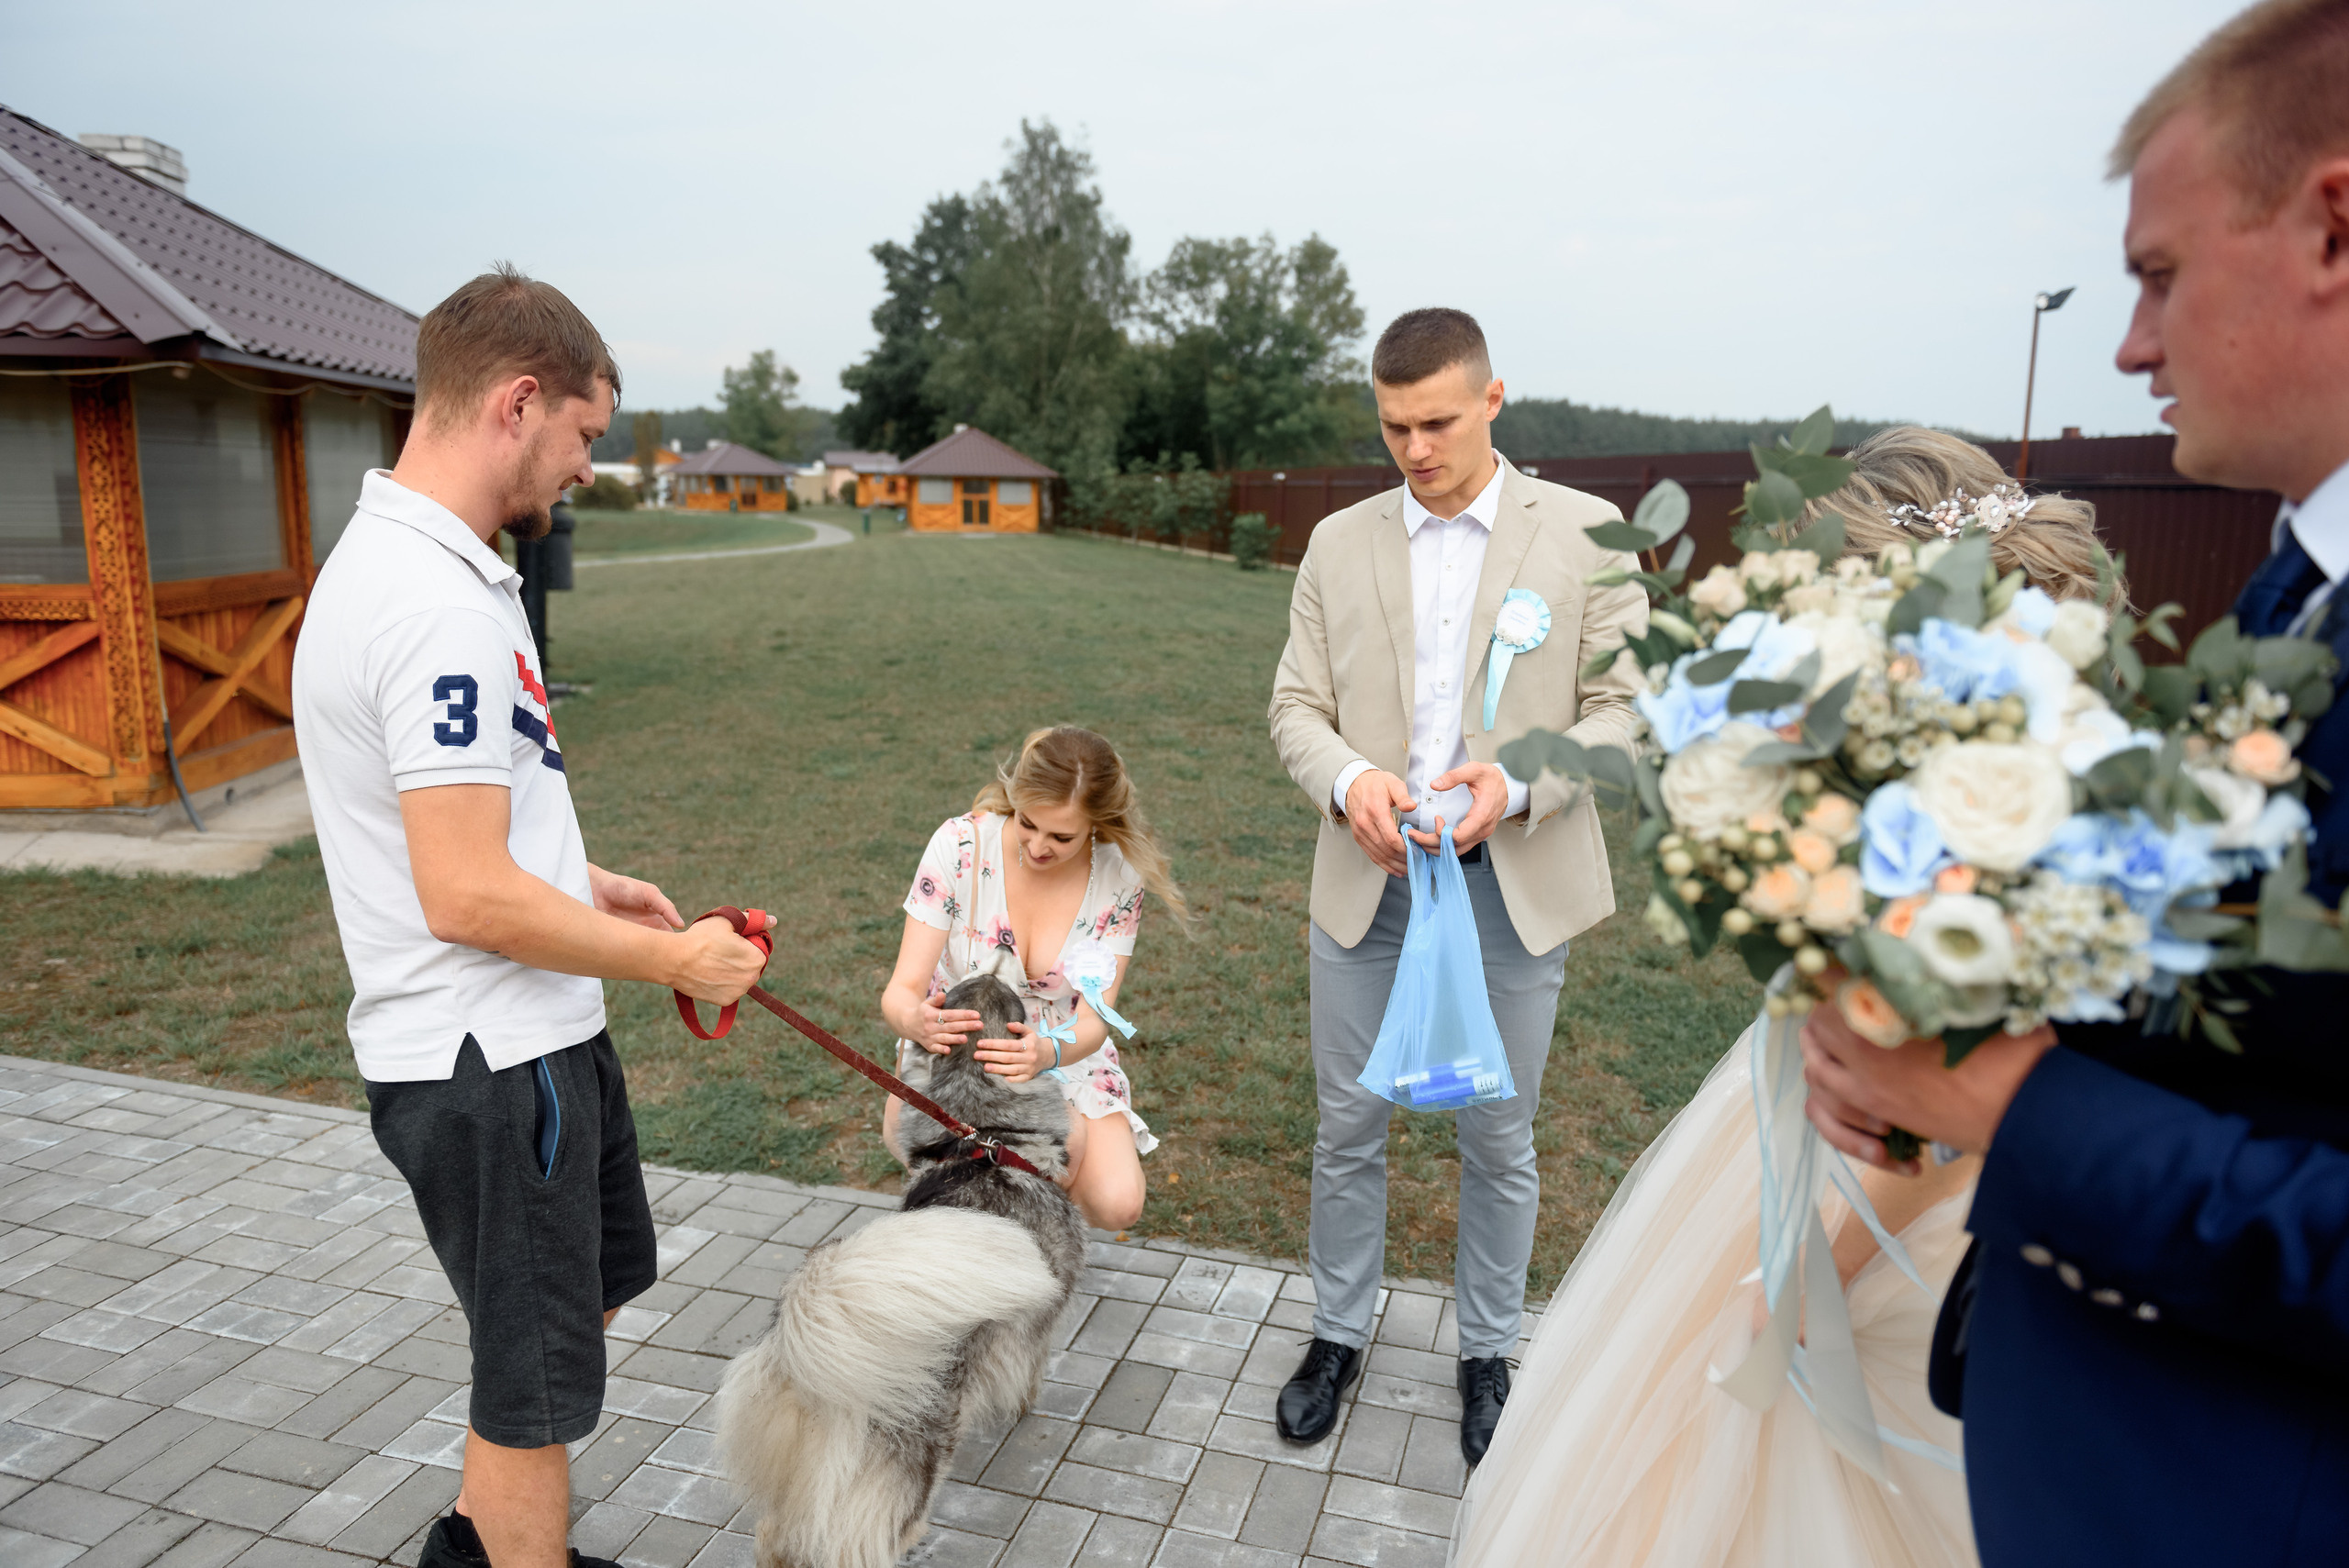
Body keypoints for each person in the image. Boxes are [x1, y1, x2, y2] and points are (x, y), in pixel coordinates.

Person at [1800, 5, 2349, 1562]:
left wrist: (2021, 1103)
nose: (2131, 340)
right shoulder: (2293, 590)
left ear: (2332, 225)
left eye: (2160, 271)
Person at [1453, 428, 2115, 1568]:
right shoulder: (1959, 770)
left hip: (1883, 1210)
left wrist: (1807, 1265)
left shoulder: (1982, 824)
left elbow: (1948, 1089)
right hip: (1798, 1144)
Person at [291, 266, 773, 1568]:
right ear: (518, 402)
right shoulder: (433, 602)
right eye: (584, 438)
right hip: (490, 1061)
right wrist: (676, 957)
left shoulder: (438, 573)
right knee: (537, 1378)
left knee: (567, 1317)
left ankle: (490, 1544)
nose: (584, 471)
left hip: (530, 1038)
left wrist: (590, 883)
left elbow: (467, 832)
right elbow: (463, 892)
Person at [1266, 308, 1649, 1463]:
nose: (1414, 448)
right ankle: (1339, 1329)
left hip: (1509, 887)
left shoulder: (1588, 535)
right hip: (1369, 882)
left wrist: (1519, 784)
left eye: (1436, 420)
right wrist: (1353, 785)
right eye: (1393, 425)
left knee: (1498, 1133)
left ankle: (1488, 1348)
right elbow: (1294, 708)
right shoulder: (1337, 541)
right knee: (1346, 1126)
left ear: (1492, 399)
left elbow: (1626, 718)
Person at [878, 726, 1186, 1232]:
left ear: (1097, 824)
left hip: (1060, 1045)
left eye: (1062, 836)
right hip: (959, 1050)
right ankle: (987, 1244)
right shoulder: (959, 844)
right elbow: (900, 993)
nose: (1039, 847)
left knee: (1117, 1204)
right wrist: (915, 1020)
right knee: (923, 1142)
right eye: (1028, 823)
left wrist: (1046, 1052)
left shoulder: (1118, 877)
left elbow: (1094, 1019)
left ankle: (1018, 1241)